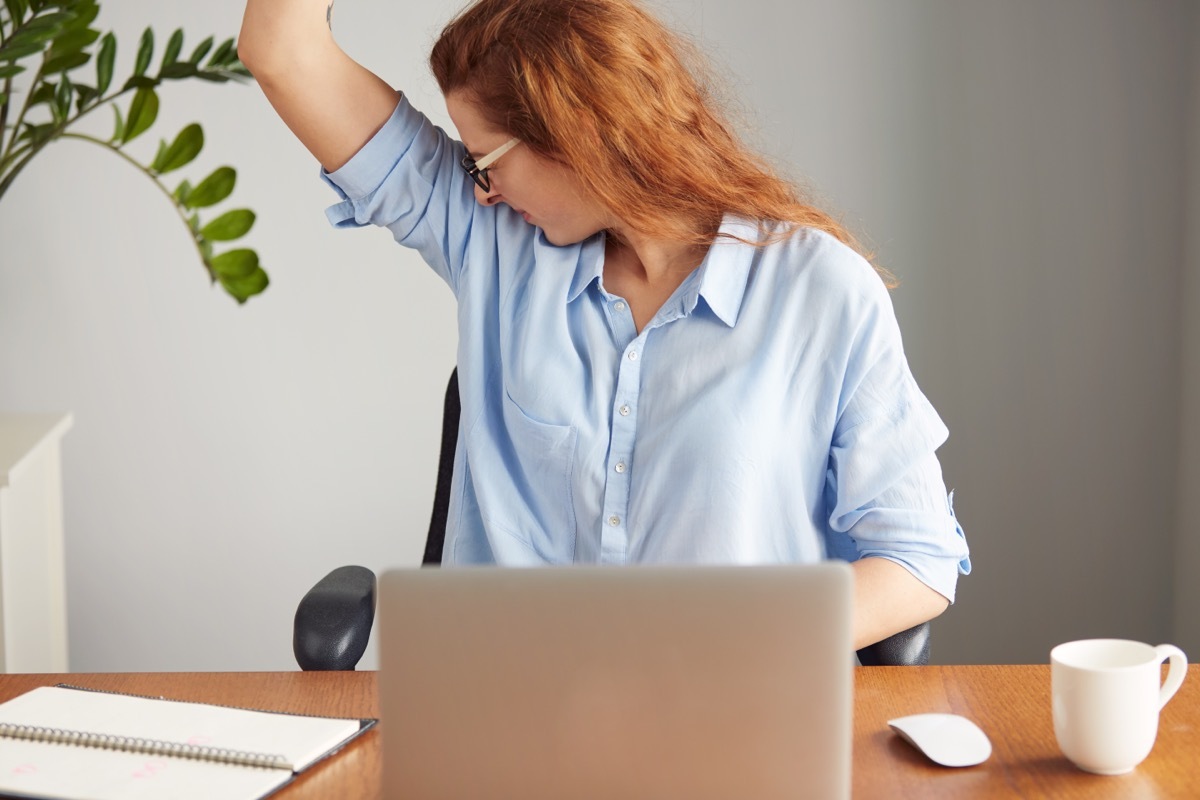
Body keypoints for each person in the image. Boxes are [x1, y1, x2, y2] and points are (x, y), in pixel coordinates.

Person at [238, 0, 970, 650]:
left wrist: (740, 648)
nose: (481, 193)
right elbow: (281, 48)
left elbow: (916, 559)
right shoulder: (496, 246)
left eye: (486, 161)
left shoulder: (822, 292)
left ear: (576, 137)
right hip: (504, 721)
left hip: (719, 728)